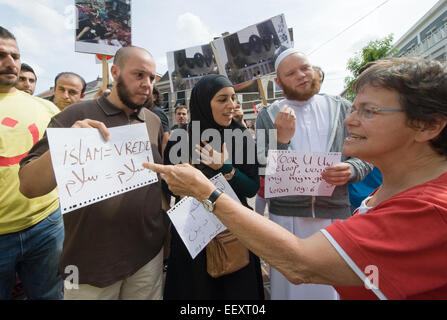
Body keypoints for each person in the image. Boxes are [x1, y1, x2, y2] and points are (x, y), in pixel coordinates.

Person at [145, 57, 447, 300]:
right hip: (202, 233)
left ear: (427, 126)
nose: (350, 120)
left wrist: (220, 176)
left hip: (271, 227)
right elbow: (270, 174)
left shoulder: (428, 212)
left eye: (368, 111)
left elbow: (300, 261)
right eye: (355, 108)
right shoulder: (189, 136)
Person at [19, 46, 169, 300]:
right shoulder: (75, 115)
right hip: (90, 265)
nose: (147, 84)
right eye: (139, 75)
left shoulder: (152, 121)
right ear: (115, 72)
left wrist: (164, 240)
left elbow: (155, 186)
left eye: (152, 78)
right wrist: (66, 145)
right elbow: (29, 186)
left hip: (146, 258)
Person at [255, 48, 372, 300]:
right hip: (286, 219)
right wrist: (282, 140)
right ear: (278, 82)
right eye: (291, 73)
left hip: (334, 217)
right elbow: (263, 168)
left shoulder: (343, 108)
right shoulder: (267, 115)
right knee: (289, 289)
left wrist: (351, 169)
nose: (301, 75)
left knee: (332, 289)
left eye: (305, 68)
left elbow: (367, 155)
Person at [162, 74, 264, 300]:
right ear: (203, 102)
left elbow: (251, 189)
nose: (232, 106)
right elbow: (170, 189)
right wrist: (186, 176)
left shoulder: (240, 135)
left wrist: (225, 167)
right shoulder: (181, 137)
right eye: (222, 99)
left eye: (233, 98)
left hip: (234, 232)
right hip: (194, 235)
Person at [0, 26, 63, 300]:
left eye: (15, 55)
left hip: (46, 226)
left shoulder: (46, 108)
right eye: (1, 55)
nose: (10, 62)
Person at [147, 87, 170, 153]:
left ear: (154, 97)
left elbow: (165, 136)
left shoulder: (156, 112)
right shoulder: (148, 112)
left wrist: (162, 159)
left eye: (147, 93)